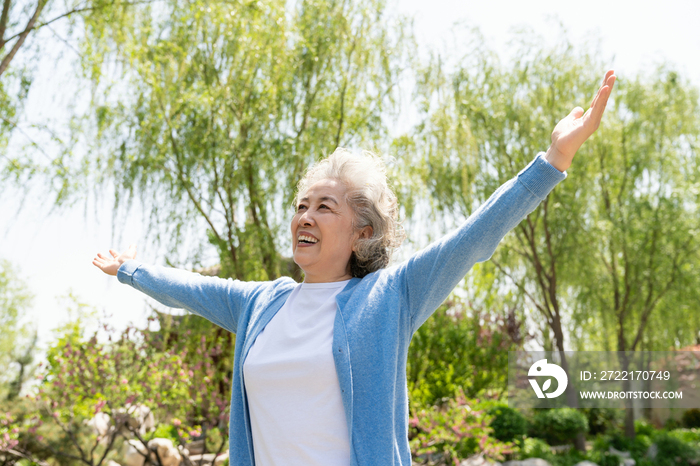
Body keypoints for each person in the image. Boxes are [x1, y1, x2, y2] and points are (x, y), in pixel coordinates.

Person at [93, 70, 616, 466]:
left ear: (362, 232)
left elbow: (472, 239)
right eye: (301, 205)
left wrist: (553, 159)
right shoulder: (259, 305)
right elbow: (189, 288)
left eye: (324, 207)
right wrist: (131, 270)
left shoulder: (390, 297)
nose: (305, 215)